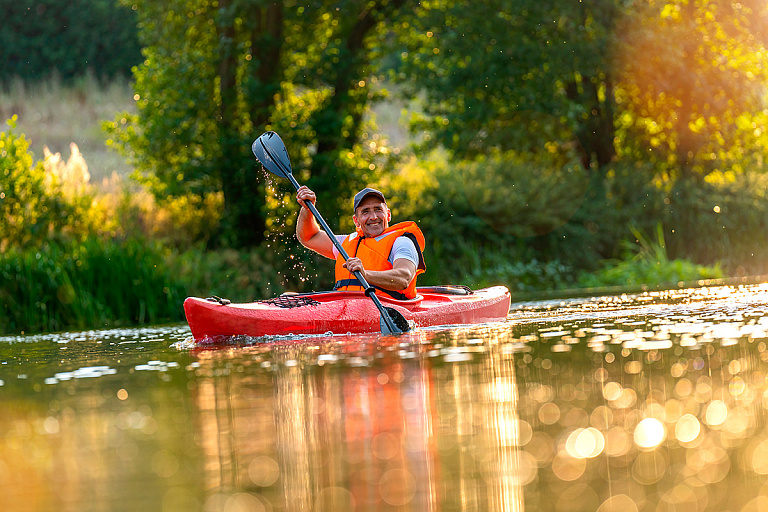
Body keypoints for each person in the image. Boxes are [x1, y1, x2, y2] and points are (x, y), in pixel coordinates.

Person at [296, 185, 426, 300]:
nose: (373, 216)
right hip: (344, 310)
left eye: (378, 209)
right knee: (288, 296)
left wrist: (365, 274)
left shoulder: (402, 242)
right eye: (365, 212)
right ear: (356, 220)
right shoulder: (346, 242)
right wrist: (307, 208)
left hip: (388, 312)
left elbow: (404, 278)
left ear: (388, 215)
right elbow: (309, 237)